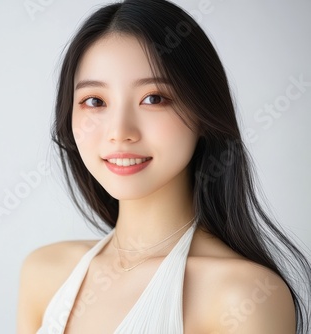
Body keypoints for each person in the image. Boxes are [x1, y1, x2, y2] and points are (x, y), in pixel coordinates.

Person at [17, 0, 311, 333]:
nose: (119, 132)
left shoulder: (241, 296)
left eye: (154, 98)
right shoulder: (45, 273)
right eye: (95, 101)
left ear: (202, 113)